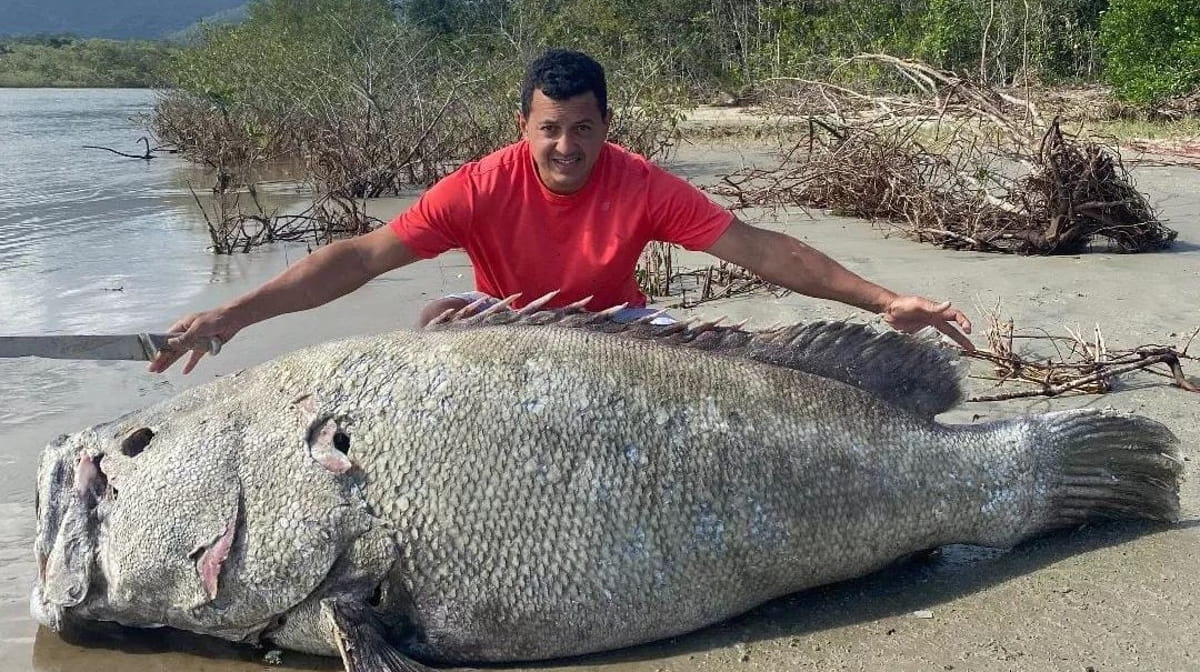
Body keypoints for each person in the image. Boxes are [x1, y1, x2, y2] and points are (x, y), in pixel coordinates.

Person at [149, 48, 972, 375]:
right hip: (499, 329)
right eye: (550, 130)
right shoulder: (479, 184)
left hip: (617, 330)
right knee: (438, 317)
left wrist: (881, 301)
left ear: (606, 127)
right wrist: (232, 315)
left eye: (583, 130)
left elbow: (761, 250)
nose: (567, 148)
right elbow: (360, 258)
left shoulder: (641, 181)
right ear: (524, 128)